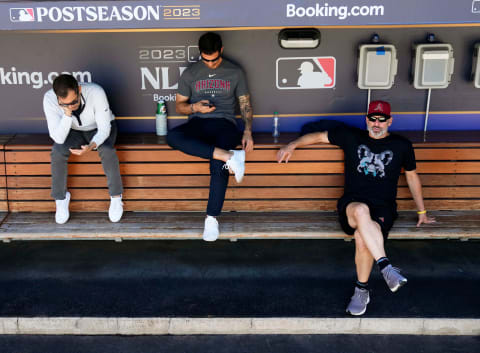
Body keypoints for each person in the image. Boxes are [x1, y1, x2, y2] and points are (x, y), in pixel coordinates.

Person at [277, 100, 435, 316]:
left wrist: (422, 212)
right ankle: (386, 267)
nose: (377, 124)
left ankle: (361, 290)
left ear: (390, 121)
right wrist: (292, 144)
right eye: (373, 119)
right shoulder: (351, 136)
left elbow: (411, 176)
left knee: (362, 238)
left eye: (381, 120)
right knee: (361, 211)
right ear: (367, 120)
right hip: (352, 204)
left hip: (383, 208)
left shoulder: (401, 145)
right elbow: (319, 136)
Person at [167, 32, 254, 242]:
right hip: (198, 122)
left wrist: (248, 131)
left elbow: (245, 104)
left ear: (221, 51)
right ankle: (228, 156)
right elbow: (179, 106)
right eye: (207, 60)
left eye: (214, 59)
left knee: (217, 167)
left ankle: (211, 219)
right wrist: (195, 107)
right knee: (173, 137)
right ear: (201, 55)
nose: (211, 64)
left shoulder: (234, 71)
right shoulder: (191, 72)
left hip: (225, 124)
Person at [43, 74, 124, 224]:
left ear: (79, 89)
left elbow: (104, 129)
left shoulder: (95, 92)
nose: (71, 105)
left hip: (99, 128)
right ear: (57, 98)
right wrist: (67, 114)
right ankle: (61, 199)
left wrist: (92, 146)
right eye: (65, 103)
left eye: (74, 101)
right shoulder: (49, 99)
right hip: (72, 131)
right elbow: (59, 138)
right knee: (58, 151)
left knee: (107, 150)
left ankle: (116, 197)